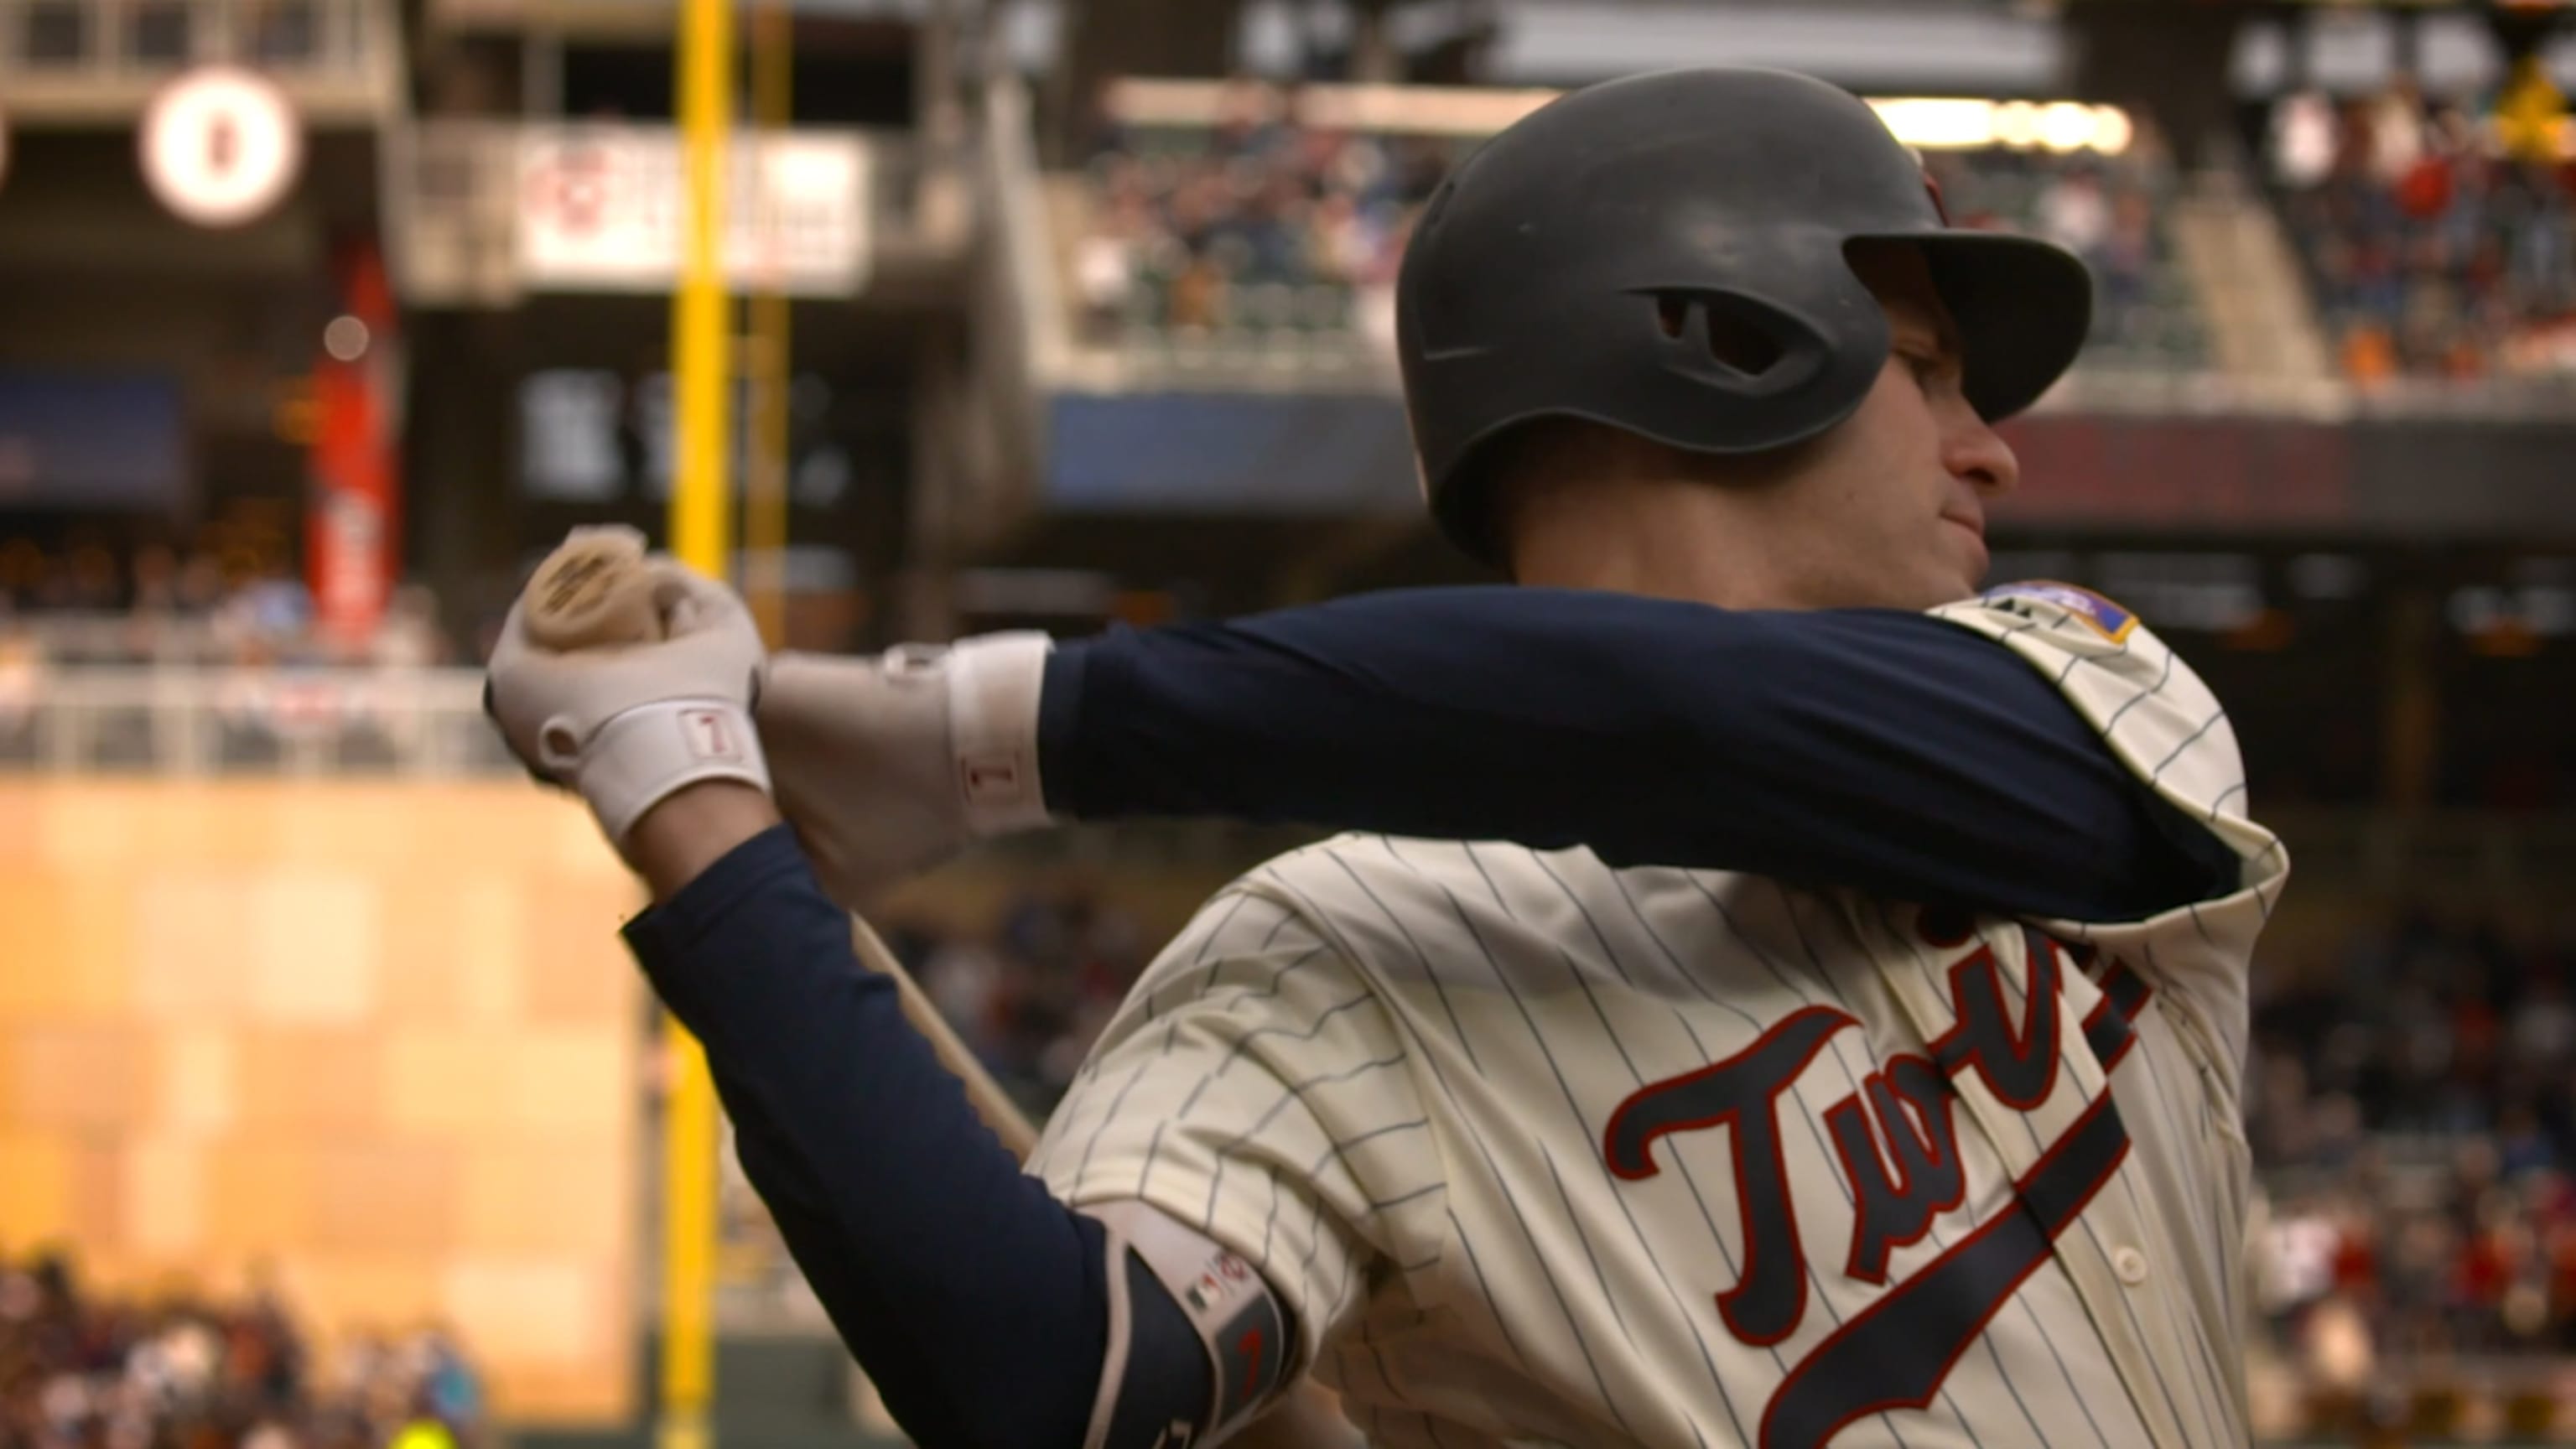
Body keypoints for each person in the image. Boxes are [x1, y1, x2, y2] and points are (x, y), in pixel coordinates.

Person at [487, 68, 2284, 1448]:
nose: (1993, 451)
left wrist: (989, 730)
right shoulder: (1327, 963)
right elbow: (1043, 1380)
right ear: (1733, 342)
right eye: (1930, 371)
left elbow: (1677, 718)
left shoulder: (2088, 694)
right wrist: (694, 807)